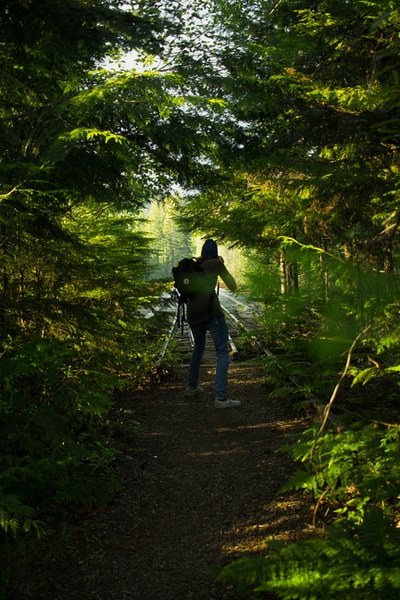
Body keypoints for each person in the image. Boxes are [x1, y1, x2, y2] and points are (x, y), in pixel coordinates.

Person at [184, 239, 241, 409]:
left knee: (198, 348)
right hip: (211, 312)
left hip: (193, 314)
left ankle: (191, 388)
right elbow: (232, 285)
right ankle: (221, 398)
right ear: (215, 252)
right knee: (223, 352)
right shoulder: (216, 264)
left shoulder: (195, 265)